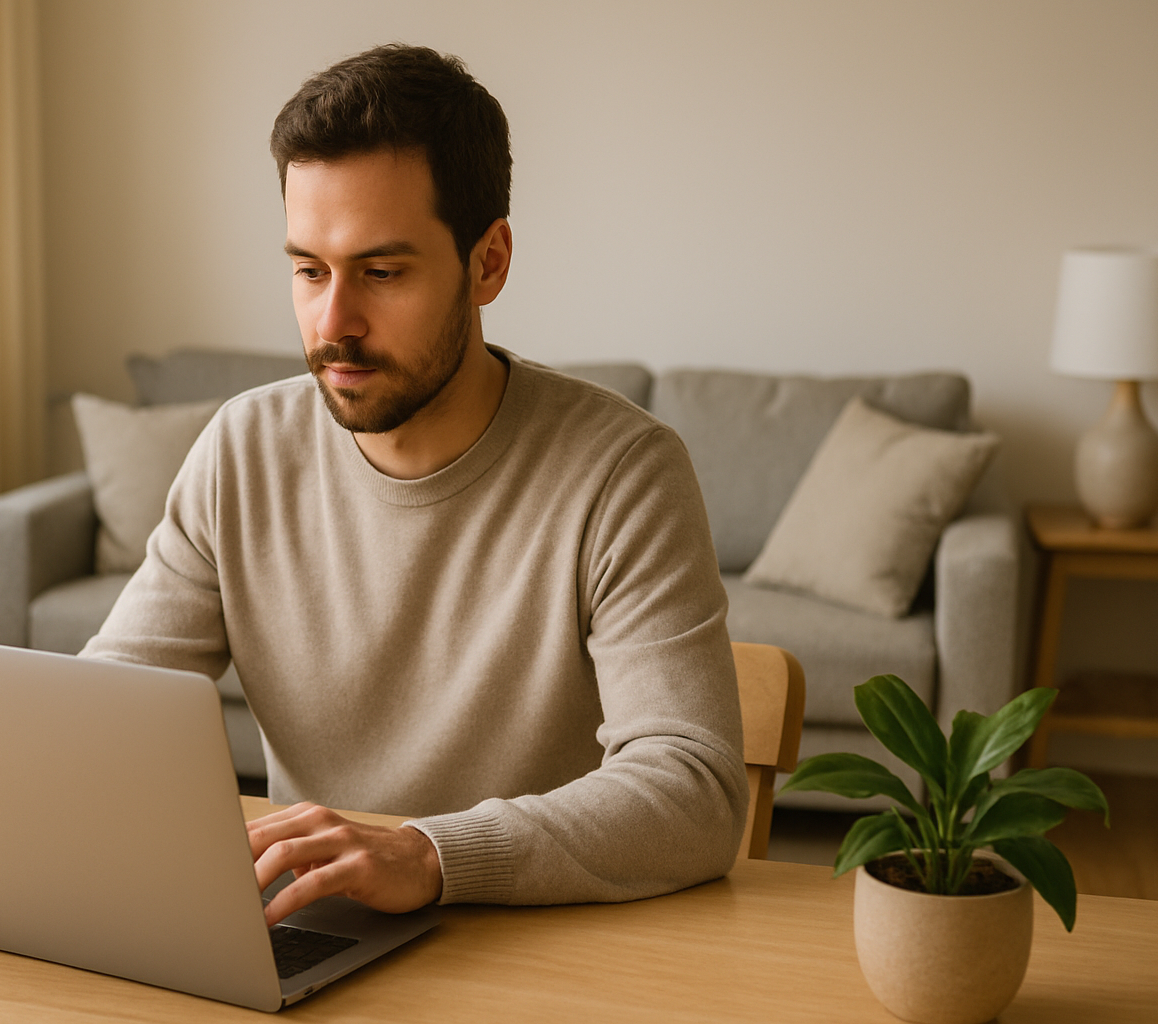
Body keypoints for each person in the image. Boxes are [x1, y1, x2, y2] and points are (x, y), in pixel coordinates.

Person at [82, 43, 746, 927]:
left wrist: (431, 853)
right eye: (309, 270)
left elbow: (694, 792)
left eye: (381, 273)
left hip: (543, 940)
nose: (333, 324)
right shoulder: (242, 449)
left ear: (489, 263)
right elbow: (99, 717)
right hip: (317, 935)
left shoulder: (623, 473)